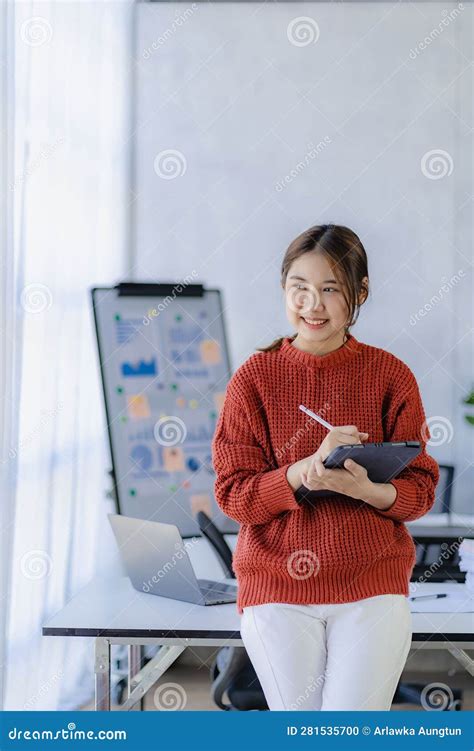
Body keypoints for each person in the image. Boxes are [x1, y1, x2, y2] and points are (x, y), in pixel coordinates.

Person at [211, 223, 439, 711]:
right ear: (283, 290)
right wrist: (300, 472)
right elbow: (233, 495)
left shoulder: (390, 375)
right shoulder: (253, 379)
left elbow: (420, 489)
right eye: (300, 288)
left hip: (371, 584)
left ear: (359, 293)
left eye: (330, 289)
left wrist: (367, 490)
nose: (312, 305)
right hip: (277, 586)